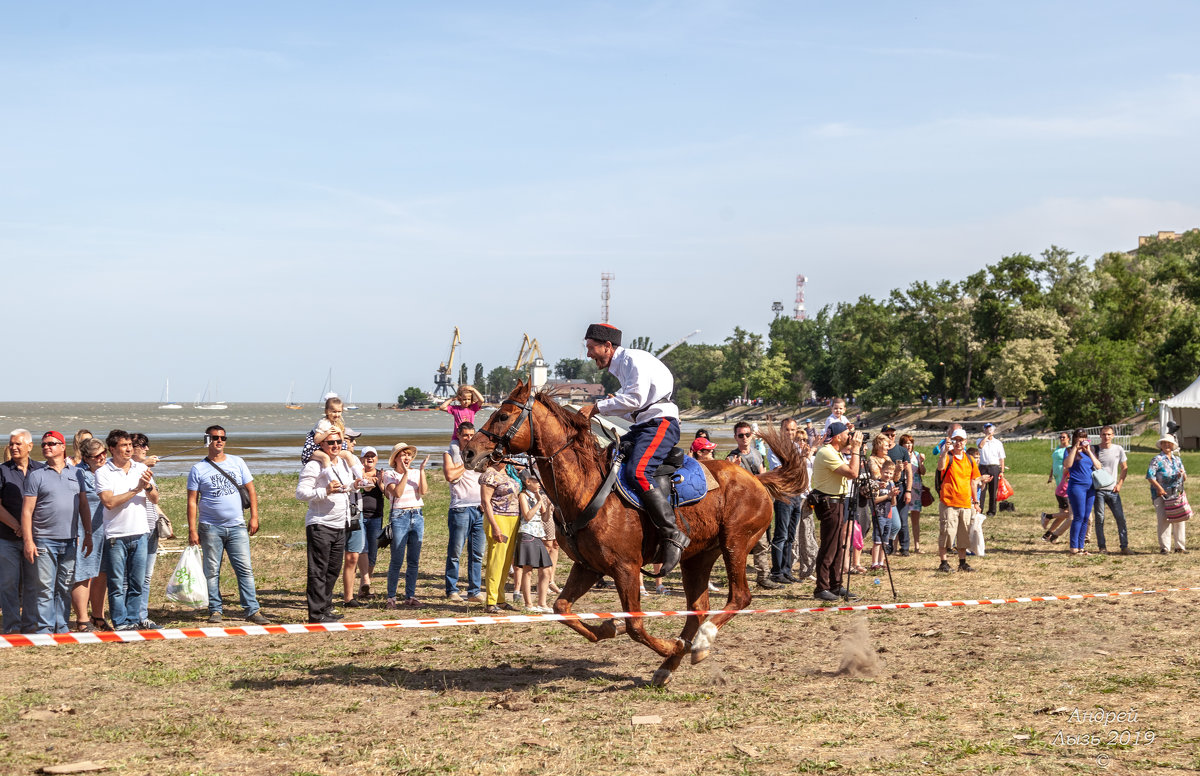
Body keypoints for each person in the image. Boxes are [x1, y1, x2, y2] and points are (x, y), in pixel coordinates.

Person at [579, 323, 688, 576]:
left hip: (660, 423)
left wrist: (596, 408)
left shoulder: (633, 360)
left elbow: (636, 400)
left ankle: (672, 534)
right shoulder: (624, 366)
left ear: (608, 346)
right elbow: (632, 407)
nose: (588, 354)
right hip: (645, 425)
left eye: (591, 348)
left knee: (638, 472)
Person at [187, 426, 270, 625]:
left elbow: (251, 490)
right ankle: (215, 610)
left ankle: (252, 610)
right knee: (212, 570)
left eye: (223, 438)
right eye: (215, 438)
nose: (219, 441)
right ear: (207, 440)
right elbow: (192, 501)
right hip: (210, 527)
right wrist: (192, 530)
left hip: (237, 526)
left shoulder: (237, 462)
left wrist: (254, 517)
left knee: (244, 569)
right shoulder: (198, 469)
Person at [20, 431, 92, 634]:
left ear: (63, 447)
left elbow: (84, 506)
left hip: (70, 540)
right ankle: (45, 628)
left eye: (51, 443)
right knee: (44, 587)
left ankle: (61, 626)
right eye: (43, 444)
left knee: (65, 586)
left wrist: (87, 534)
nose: (46, 447)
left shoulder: (77, 473)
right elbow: (27, 511)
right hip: (43, 540)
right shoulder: (36, 475)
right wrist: (28, 541)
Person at [95, 429, 156, 630]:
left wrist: (147, 487)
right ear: (112, 449)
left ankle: (133, 620)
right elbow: (109, 502)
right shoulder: (103, 472)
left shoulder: (140, 468)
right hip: (116, 535)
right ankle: (120, 623)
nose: (129, 449)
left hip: (140, 533)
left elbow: (155, 498)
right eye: (123, 445)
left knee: (137, 582)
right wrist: (136, 489)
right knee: (116, 583)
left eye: (130, 445)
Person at [296, 425, 355, 623]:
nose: (336, 445)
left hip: (340, 524)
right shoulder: (314, 465)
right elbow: (301, 493)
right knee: (318, 571)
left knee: (333, 570)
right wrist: (325, 491)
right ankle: (316, 614)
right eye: (331, 442)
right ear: (321, 444)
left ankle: (326, 608)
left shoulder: (344, 464)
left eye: (339, 442)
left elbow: (346, 487)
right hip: (320, 524)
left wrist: (358, 485)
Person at [810, 422, 863, 602]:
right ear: (838, 436)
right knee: (829, 546)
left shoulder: (836, 452)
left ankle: (835, 584)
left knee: (839, 546)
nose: (850, 437)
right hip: (829, 503)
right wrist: (855, 449)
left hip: (838, 502)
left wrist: (854, 448)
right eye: (848, 434)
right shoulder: (826, 452)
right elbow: (853, 473)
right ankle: (822, 587)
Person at [725, 421, 779, 590]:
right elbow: (727, 485)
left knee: (762, 542)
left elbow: (763, 476)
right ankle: (736, 580)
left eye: (747, 434)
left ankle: (763, 576)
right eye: (741, 435)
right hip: (740, 508)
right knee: (739, 545)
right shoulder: (731, 458)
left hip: (757, 505)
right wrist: (734, 468)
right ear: (735, 437)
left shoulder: (757, 454)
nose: (744, 438)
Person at [1, 429, 42, 633]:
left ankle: (31, 625)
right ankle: (11, 627)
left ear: (29, 446)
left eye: (18, 443)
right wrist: (17, 526)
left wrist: (29, 533)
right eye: (11, 443)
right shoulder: (2, 471)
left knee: (32, 583)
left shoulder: (41, 470)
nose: (14, 447)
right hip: (7, 537)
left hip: (35, 539)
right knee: (8, 583)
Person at [443, 423, 485, 604]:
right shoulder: (450, 454)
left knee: (477, 554)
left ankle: (474, 591)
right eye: (465, 435)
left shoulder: (478, 454)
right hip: (460, 508)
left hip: (479, 508)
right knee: (455, 552)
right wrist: (467, 464)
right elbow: (450, 476)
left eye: (471, 435)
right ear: (458, 435)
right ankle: (452, 589)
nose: (469, 438)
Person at [383, 442, 428, 608]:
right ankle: (391, 598)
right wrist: (406, 474)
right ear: (395, 459)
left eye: (408, 454)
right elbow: (398, 492)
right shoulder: (389, 474)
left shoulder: (416, 472)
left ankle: (410, 596)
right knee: (397, 559)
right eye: (403, 455)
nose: (407, 457)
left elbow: (423, 491)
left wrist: (421, 471)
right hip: (399, 516)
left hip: (417, 514)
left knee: (413, 560)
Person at [71, 438, 109, 632]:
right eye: (97, 455)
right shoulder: (79, 474)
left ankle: (98, 616)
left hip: (106, 531)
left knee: (102, 574)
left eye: (104, 453)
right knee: (84, 573)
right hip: (85, 530)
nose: (102, 457)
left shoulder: (108, 471)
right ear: (86, 457)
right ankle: (82, 619)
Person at [935, 429, 981, 573]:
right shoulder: (948, 457)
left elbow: (973, 481)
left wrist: (976, 502)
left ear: (966, 442)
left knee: (964, 535)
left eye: (961, 440)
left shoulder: (970, 459)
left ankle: (962, 562)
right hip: (949, 502)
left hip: (965, 503)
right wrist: (944, 451)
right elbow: (940, 467)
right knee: (947, 533)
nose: (958, 443)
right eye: (956, 440)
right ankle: (944, 562)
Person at [480, 460, 523, 614]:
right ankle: (490, 601)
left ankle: (500, 598)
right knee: (496, 560)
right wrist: (495, 526)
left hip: (513, 518)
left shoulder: (509, 472)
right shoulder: (490, 474)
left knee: (506, 562)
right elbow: (485, 501)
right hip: (498, 518)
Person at [768, 418, 807, 586]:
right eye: (787, 430)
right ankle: (776, 572)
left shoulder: (797, 447)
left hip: (796, 493)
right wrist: (797, 464)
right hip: (784, 494)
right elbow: (779, 470)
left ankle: (787, 569)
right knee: (781, 534)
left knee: (791, 535)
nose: (790, 433)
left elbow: (801, 469)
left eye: (793, 430)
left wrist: (803, 458)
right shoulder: (775, 447)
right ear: (781, 430)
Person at [129, 433, 161, 626]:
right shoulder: (123, 470)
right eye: (141, 445)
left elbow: (153, 498)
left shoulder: (145, 470)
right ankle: (130, 618)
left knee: (146, 576)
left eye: (146, 445)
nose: (146, 449)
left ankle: (142, 616)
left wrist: (162, 516)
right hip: (136, 529)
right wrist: (143, 465)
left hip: (151, 528)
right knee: (131, 577)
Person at [515, 471, 553, 613]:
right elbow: (527, 515)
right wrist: (539, 502)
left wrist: (548, 506)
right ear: (527, 482)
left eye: (539, 481)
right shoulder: (523, 496)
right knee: (528, 570)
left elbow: (544, 517)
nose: (539, 483)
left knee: (546, 569)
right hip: (527, 533)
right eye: (535, 481)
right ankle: (528, 604)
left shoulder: (537, 496)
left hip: (538, 534)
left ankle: (542, 603)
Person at [1062, 429, 1102, 556]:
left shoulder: (1091, 451)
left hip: (1090, 487)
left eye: (1084, 437)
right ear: (1074, 438)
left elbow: (1098, 466)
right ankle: (1073, 547)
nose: (1082, 439)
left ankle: (1081, 546)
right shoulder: (1068, 450)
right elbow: (1067, 465)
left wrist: (1089, 451)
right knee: (1078, 516)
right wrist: (1075, 448)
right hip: (1076, 486)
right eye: (1079, 437)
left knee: (1086, 517)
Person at [1093, 425, 1130, 555]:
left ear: (1113, 435)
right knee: (1100, 518)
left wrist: (1120, 484)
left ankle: (1124, 546)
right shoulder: (1095, 449)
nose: (1106, 437)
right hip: (1098, 490)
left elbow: (1124, 467)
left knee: (1120, 518)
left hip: (1113, 489)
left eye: (1109, 434)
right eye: (1103, 434)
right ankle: (1102, 547)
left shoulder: (1118, 449)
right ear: (1100, 435)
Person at [1147, 434, 1187, 554]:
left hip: (1176, 493)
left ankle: (1180, 547)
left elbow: (1184, 477)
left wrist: (1182, 474)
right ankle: (1165, 547)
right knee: (1164, 519)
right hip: (1161, 494)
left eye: (1169, 443)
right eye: (1164, 443)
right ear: (1161, 446)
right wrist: (1159, 488)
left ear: (1173, 445)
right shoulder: (1157, 459)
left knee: (1179, 518)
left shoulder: (1177, 459)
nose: (1166, 445)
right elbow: (1150, 476)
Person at [355, 446, 385, 600]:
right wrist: (362, 478)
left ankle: (363, 587)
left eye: (372, 456)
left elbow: (387, 493)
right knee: (362, 549)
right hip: (359, 516)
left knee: (372, 553)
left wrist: (380, 483)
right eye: (366, 456)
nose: (370, 458)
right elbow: (364, 489)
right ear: (361, 460)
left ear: (377, 459)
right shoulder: (356, 474)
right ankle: (364, 582)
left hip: (375, 517)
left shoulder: (381, 474)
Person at [1040, 432, 1073, 542]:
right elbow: (1054, 463)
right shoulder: (1058, 447)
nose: (1061, 438)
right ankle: (1048, 516)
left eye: (1064, 437)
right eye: (1060, 437)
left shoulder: (1070, 449)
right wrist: (1050, 476)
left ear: (1068, 438)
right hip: (1062, 481)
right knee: (1066, 513)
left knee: (1063, 513)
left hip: (1065, 480)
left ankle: (1048, 534)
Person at [869, 459, 900, 571]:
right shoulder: (877, 484)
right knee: (878, 540)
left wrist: (894, 495)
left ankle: (881, 562)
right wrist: (888, 495)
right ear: (881, 471)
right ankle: (874, 563)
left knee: (885, 541)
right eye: (886, 472)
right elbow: (874, 500)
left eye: (891, 473)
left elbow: (893, 503)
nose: (888, 475)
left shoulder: (891, 483)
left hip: (888, 515)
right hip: (879, 514)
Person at [898, 434, 925, 554]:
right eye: (906, 443)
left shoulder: (917, 455)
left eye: (910, 443)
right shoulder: (900, 455)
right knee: (900, 518)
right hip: (903, 488)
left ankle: (917, 546)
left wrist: (921, 463)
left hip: (916, 488)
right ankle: (896, 545)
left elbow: (923, 472)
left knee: (915, 519)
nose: (909, 445)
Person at [976, 423, 1006, 517]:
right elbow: (980, 446)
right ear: (984, 430)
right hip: (983, 467)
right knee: (982, 489)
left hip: (994, 467)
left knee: (993, 490)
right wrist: (986, 437)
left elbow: (1001, 458)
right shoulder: (980, 440)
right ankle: (979, 509)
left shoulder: (998, 443)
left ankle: (992, 511)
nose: (989, 431)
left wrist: (1002, 471)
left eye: (990, 429)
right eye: (987, 429)